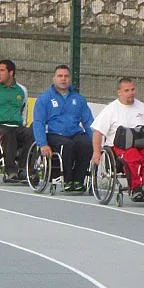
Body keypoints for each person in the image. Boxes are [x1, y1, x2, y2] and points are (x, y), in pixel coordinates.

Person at [91, 77, 144, 201]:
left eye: (132, 89)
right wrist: (97, 152)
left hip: (142, 144)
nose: (131, 93)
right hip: (118, 146)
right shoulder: (111, 110)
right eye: (127, 90)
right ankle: (135, 188)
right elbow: (98, 132)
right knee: (133, 155)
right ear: (119, 92)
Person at [32, 64, 95, 193]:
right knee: (67, 145)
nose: (63, 79)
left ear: (70, 79)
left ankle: (78, 181)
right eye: (60, 76)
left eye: (66, 76)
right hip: (54, 134)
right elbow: (38, 123)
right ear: (54, 78)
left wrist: (96, 142)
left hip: (74, 133)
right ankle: (67, 180)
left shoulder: (78, 99)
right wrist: (42, 144)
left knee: (87, 144)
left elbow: (88, 122)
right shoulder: (44, 99)